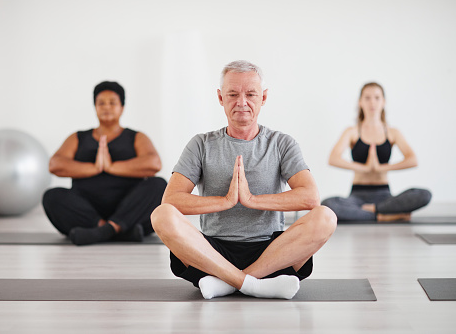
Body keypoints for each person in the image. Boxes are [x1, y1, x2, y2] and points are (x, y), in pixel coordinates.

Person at [151, 60, 337, 300]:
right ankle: (253, 284)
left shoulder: (281, 143)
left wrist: (251, 199)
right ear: (220, 97)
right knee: (161, 215)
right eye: (232, 94)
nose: (242, 102)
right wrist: (226, 201)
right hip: (212, 252)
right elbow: (172, 200)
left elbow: (310, 197)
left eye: (250, 94)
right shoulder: (201, 144)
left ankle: (228, 283)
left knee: (326, 217)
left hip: (271, 253)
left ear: (263, 97)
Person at [42, 81, 167, 245]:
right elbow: (55, 164)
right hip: (88, 209)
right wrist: (95, 167)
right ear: (95, 107)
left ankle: (104, 231)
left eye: (112, 103)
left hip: (130, 208)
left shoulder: (136, 137)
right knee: (52, 196)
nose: (106, 107)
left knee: (158, 185)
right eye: (101, 103)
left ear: (122, 107)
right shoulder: (78, 137)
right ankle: (116, 230)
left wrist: (111, 167)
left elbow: (154, 163)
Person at [322, 82, 431, 222]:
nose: (372, 102)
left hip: (385, 196)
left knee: (424, 195)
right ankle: (381, 216)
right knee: (328, 205)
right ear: (360, 102)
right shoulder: (352, 132)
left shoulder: (392, 132)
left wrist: (380, 168)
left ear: (383, 102)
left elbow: (412, 160)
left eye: (377, 97)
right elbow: (333, 158)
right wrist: (365, 168)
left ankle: (375, 210)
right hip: (357, 197)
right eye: (367, 98)